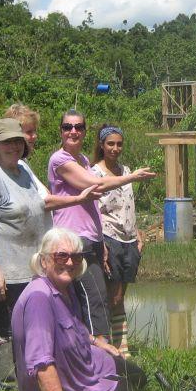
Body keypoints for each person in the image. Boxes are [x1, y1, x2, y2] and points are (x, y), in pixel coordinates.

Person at [0, 118, 100, 388]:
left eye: (17, 141)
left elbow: (45, 202)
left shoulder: (23, 170)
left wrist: (78, 199)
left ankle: (35, 376)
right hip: (8, 267)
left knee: (34, 324)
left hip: (34, 266)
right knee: (6, 325)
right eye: (6, 142)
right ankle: (7, 383)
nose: (13, 146)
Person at [12, 227, 147, 391]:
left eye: (76, 257)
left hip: (85, 364)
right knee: (128, 390)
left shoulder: (65, 287)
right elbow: (41, 364)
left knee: (138, 376)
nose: (70, 262)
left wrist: (98, 343)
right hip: (70, 384)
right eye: (61, 256)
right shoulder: (39, 298)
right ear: (44, 261)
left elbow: (75, 326)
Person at [47, 109, 155, 340]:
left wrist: (101, 239)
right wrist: (133, 177)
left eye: (78, 127)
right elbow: (94, 185)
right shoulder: (61, 160)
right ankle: (102, 353)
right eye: (68, 127)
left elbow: (94, 206)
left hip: (94, 239)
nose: (73, 131)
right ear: (61, 131)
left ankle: (102, 351)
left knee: (95, 300)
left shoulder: (83, 160)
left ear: (85, 132)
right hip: (74, 239)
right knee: (95, 298)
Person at [90, 124, 144, 358]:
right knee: (112, 296)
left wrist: (138, 233)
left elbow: (129, 204)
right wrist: (100, 241)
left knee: (122, 295)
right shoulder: (94, 173)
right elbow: (93, 210)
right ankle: (106, 347)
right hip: (109, 237)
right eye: (110, 143)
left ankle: (123, 349)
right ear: (101, 145)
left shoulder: (126, 170)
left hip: (129, 239)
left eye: (119, 144)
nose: (115, 148)